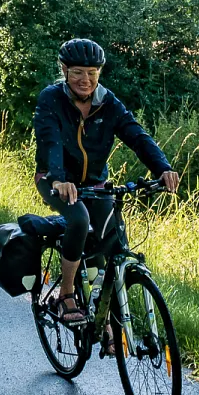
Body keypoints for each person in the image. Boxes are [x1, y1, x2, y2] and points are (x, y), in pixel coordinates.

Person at [32, 38, 180, 327]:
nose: (85, 80)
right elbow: (50, 141)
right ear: (64, 70)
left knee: (111, 244)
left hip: (97, 184)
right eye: (77, 72)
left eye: (92, 73)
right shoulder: (51, 99)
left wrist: (162, 168)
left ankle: (107, 325)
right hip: (54, 179)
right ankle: (65, 295)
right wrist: (59, 179)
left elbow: (136, 135)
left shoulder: (108, 102)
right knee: (79, 219)